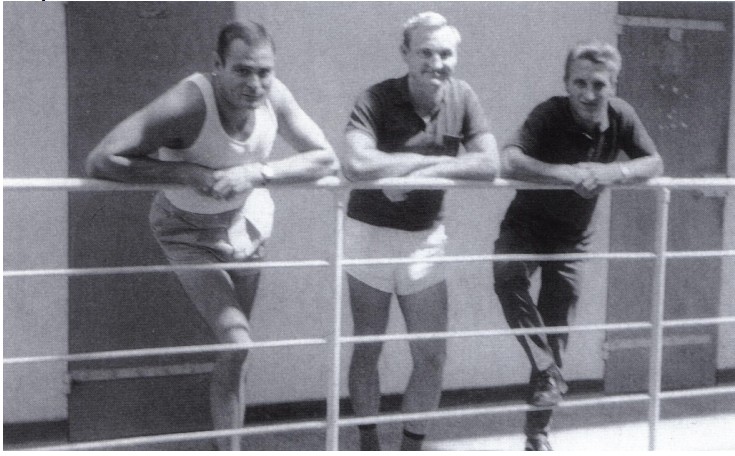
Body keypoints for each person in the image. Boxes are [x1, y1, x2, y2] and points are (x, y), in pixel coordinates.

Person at [85, 21, 336, 451]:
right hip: (186, 231)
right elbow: (101, 160)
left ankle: (229, 447)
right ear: (217, 65)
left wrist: (257, 173)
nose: (254, 84)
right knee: (238, 343)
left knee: (237, 354)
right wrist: (185, 172)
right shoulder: (188, 102)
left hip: (247, 225)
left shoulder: (274, 96)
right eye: (242, 71)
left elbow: (325, 158)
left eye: (264, 72)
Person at [340, 12, 500, 451]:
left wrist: (413, 173)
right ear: (406, 54)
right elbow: (356, 162)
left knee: (431, 355)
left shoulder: (463, 96)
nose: (436, 63)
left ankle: (411, 448)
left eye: (445, 53)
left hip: (425, 240)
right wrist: (432, 166)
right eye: (425, 53)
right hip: (369, 234)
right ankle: (369, 443)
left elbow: (489, 163)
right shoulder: (376, 97)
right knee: (368, 348)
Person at [493, 40, 663, 451]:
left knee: (557, 326)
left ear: (613, 85)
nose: (588, 94)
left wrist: (612, 173)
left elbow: (653, 162)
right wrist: (566, 173)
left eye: (599, 84)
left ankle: (538, 434)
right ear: (566, 83)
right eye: (580, 83)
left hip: (571, 236)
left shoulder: (621, 115)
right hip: (527, 225)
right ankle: (547, 371)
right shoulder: (550, 113)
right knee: (507, 275)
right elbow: (510, 159)